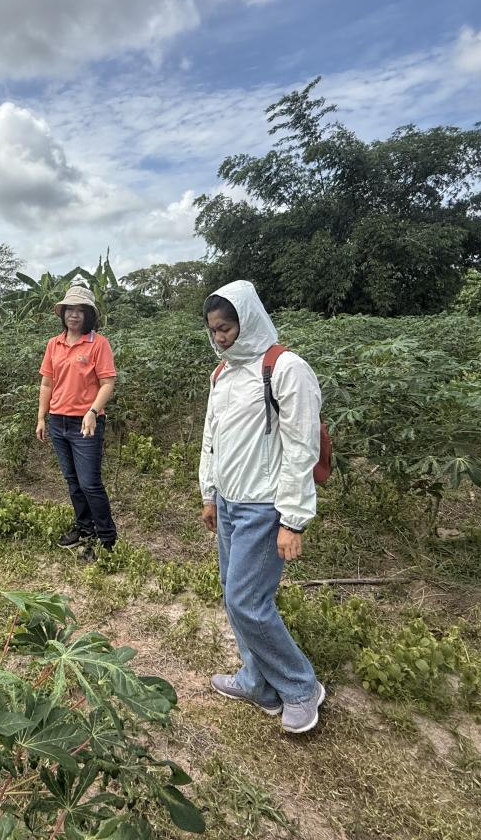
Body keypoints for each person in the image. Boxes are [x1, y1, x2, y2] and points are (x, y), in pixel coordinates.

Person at [198, 280, 326, 734]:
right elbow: (211, 437)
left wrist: (293, 519)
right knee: (235, 599)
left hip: (264, 506)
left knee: (246, 600)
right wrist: (209, 494)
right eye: (214, 330)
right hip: (231, 503)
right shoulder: (223, 373)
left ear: (247, 320)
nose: (221, 338)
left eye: (227, 327)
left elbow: (301, 447)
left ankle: (300, 687)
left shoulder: (286, 368)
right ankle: (257, 682)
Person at [35, 284, 118, 563]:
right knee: (72, 482)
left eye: (80, 310)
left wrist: (93, 411)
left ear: (88, 315)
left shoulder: (98, 343)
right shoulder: (53, 344)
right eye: (69, 309)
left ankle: (106, 538)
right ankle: (84, 529)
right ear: (63, 313)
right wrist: (41, 417)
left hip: (87, 424)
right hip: (58, 422)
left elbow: (107, 383)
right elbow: (47, 382)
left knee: (90, 483)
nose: (73, 315)